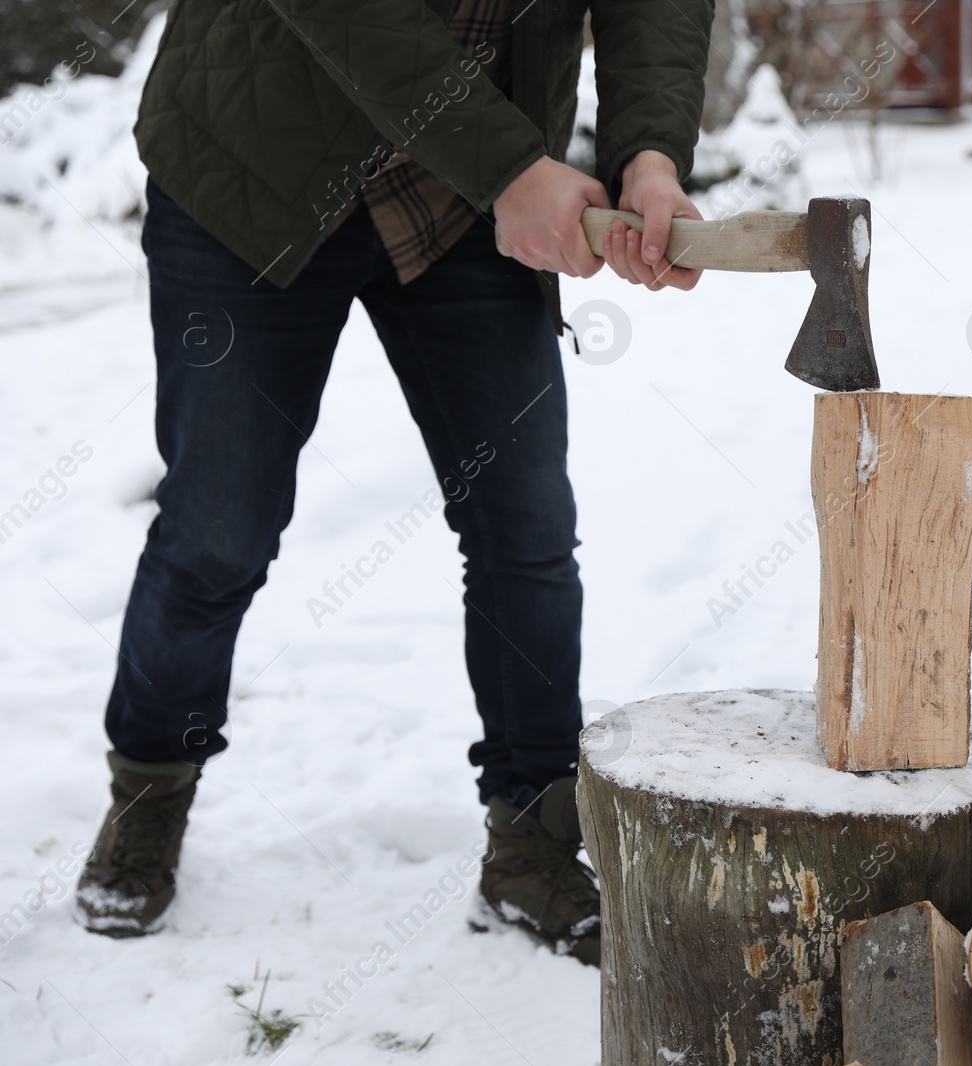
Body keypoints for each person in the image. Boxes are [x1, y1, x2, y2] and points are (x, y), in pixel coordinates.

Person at [71, 0, 713, 965]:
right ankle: (150, 790)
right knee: (219, 528)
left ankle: (533, 841)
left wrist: (652, 154)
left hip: (462, 196)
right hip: (257, 165)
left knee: (525, 528)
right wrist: (514, 169)